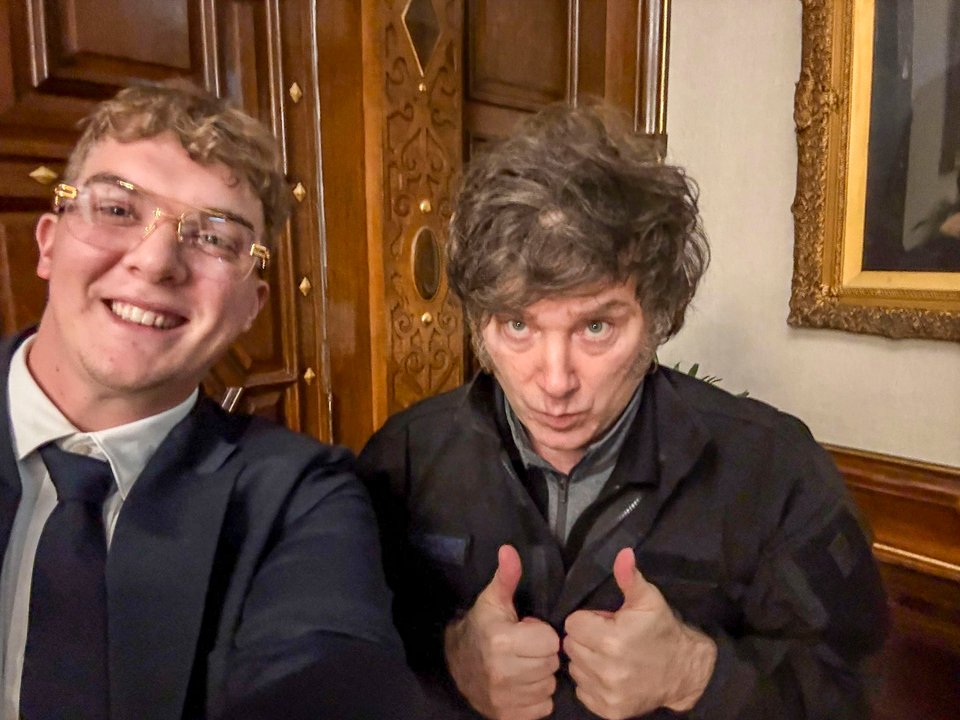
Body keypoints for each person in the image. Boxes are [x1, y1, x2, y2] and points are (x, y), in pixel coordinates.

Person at [358, 104, 889, 720]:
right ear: (479, 324)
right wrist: (450, 662)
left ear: (658, 317)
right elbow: (344, 667)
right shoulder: (403, 459)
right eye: (518, 325)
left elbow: (854, 691)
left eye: (596, 327)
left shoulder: (774, 471)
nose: (555, 382)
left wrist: (697, 674)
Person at [1, 82, 419, 720]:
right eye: (117, 209)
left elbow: (332, 671)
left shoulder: (299, 498)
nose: (156, 261)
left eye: (215, 238)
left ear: (252, 305)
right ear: (48, 242)